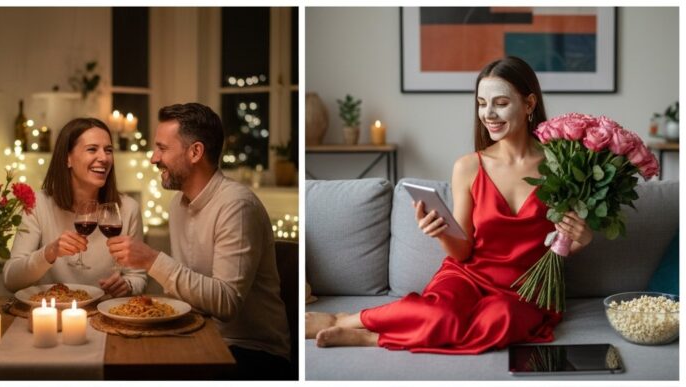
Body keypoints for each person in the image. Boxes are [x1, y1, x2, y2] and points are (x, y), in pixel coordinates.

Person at [305, 56, 593, 353]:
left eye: (500, 103)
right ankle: (345, 319)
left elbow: (561, 244)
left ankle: (372, 338)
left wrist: (582, 239)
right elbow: (463, 251)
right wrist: (441, 232)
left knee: (501, 319)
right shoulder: (468, 167)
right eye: (482, 103)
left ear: (529, 104)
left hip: (524, 289)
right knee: (440, 315)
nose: (488, 114)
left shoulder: (563, 165)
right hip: (467, 276)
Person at [106, 103, 292, 379]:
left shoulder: (236, 206)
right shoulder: (177, 205)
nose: (154, 158)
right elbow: (189, 292)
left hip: (252, 352)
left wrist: (151, 260)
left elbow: (226, 303)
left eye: (163, 148)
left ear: (195, 152)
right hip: (197, 333)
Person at [4, 118, 147, 297]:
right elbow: (10, 279)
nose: (103, 158)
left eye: (108, 150)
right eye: (92, 149)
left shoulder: (128, 209)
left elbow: (138, 277)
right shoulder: (38, 205)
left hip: (105, 315)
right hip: (53, 316)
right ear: (67, 158)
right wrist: (49, 252)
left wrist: (127, 285)